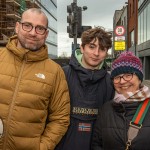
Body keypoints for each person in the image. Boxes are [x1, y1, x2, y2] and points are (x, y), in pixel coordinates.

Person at [0, 8, 70, 150]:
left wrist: (42, 147)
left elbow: (60, 118)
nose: (33, 33)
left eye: (40, 28)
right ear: (17, 27)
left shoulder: (55, 72)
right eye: (27, 25)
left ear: (46, 33)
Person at [55, 27, 115, 150]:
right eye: (92, 47)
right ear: (82, 48)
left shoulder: (111, 83)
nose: (96, 53)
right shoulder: (62, 74)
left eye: (102, 49)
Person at [91, 51, 150, 150]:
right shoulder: (106, 109)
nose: (122, 81)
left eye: (128, 75)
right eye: (117, 77)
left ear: (139, 79)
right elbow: (97, 144)